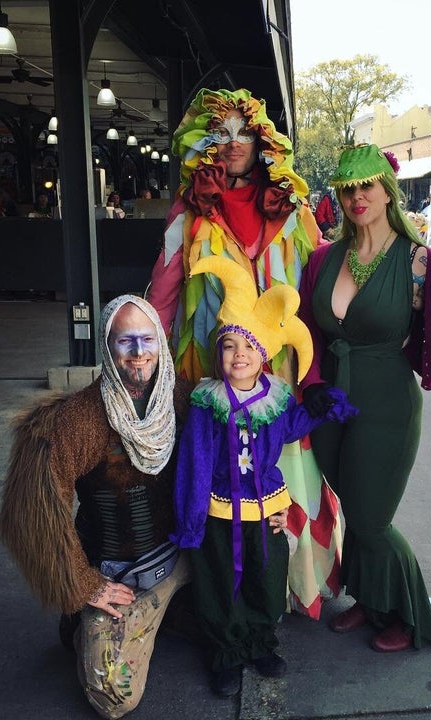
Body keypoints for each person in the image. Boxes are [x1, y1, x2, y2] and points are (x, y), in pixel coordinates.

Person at [147, 88, 342, 621]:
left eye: (244, 132)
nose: (233, 144)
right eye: (221, 133)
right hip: (211, 376)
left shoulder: (293, 210)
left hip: (278, 374)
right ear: (204, 143)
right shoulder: (187, 212)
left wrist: (316, 372)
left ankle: (282, 588)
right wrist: (143, 362)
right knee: (212, 478)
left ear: (263, 141)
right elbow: (162, 293)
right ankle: (218, 595)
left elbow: (318, 288)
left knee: (281, 475)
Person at [0, 295, 194, 719]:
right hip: (113, 576)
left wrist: (271, 501)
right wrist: (83, 584)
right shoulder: (78, 419)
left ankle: (174, 606)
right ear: (108, 347)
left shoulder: (184, 399)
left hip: (179, 559)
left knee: (238, 619)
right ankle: (105, 619)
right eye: (126, 341)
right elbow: (35, 513)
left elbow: (238, 450)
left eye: (147, 340)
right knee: (114, 695)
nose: (139, 354)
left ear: (161, 342)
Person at [171, 255, 357, 696]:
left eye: (249, 348)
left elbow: (290, 429)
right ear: (219, 351)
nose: (239, 356)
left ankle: (259, 642)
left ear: (264, 356)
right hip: (217, 510)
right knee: (219, 580)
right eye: (231, 346)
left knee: (265, 575)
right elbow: (195, 460)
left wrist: (320, 406)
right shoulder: (206, 400)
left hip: (267, 507)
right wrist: (191, 518)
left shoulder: (275, 398)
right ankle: (225, 652)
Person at [298, 144, 431, 653]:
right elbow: (306, 330)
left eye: (366, 185)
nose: (356, 196)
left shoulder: (420, 264)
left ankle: (410, 616)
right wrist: (313, 382)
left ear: (387, 191)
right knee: (348, 506)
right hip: (329, 405)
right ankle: (369, 599)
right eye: (347, 188)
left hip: (387, 404)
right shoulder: (323, 257)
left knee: (370, 518)